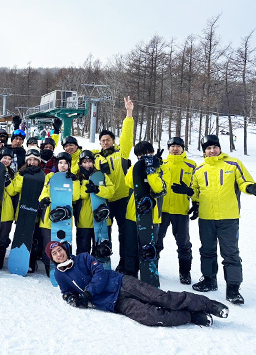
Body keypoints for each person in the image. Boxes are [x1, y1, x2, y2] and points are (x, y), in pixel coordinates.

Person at [46, 241, 229, 327]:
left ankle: (208, 305)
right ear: (52, 258)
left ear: (66, 250)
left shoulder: (83, 258)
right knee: (150, 317)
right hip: (114, 303)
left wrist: (88, 293)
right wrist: (71, 298)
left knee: (162, 298)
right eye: (54, 254)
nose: (59, 254)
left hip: (122, 283)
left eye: (60, 250)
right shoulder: (60, 275)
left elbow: (100, 273)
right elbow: (65, 291)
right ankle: (191, 316)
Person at [191, 135, 255, 305]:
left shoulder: (233, 164)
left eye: (214, 147)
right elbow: (196, 192)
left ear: (219, 148)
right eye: (208, 148)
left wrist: (250, 187)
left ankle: (233, 288)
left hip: (228, 217)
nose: (212, 151)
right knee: (207, 250)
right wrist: (191, 198)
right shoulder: (199, 169)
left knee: (230, 253)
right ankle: (209, 280)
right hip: (206, 218)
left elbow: (244, 181)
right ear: (204, 151)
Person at [92, 96, 134, 273]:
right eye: (102, 140)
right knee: (103, 233)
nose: (105, 142)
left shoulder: (121, 153)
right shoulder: (96, 157)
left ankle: (125, 263)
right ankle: (101, 262)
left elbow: (127, 137)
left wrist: (129, 113)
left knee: (125, 234)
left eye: (108, 139)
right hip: (103, 200)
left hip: (122, 199)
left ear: (113, 141)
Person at [123, 141, 165, 287]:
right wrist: (138, 168)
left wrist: (151, 169)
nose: (144, 156)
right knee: (131, 246)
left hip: (152, 216)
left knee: (148, 246)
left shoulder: (161, 168)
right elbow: (128, 182)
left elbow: (158, 187)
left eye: (147, 153)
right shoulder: (135, 168)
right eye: (141, 154)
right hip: (133, 213)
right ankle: (130, 273)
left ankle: (149, 274)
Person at [158, 137, 196, 285]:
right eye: (172, 146)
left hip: (181, 211)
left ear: (183, 148)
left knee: (183, 243)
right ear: (168, 148)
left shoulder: (191, 166)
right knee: (156, 241)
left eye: (178, 146)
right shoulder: (162, 164)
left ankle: (185, 272)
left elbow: (196, 187)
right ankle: (152, 269)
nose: (175, 149)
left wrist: (195, 201)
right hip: (161, 211)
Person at [37, 151, 80, 273]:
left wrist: (75, 182)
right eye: (60, 163)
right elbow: (44, 190)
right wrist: (44, 199)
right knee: (48, 243)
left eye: (66, 163)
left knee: (62, 244)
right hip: (49, 216)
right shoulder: (51, 176)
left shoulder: (72, 178)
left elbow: (76, 196)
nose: (63, 165)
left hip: (64, 218)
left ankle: (64, 267)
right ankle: (49, 268)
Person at [74, 150, 114, 256]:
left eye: (90, 162)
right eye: (85, 162)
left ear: (93, 162)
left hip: (102, 219)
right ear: (81, 163)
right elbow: (80, 195)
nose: (87, 165)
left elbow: (111, 192)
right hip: (84, 220)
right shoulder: (77, 177)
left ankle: (98, 269)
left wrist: (97, 189)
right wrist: (87, 183)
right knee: (83, 248)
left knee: (101, 249)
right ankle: (83, 269)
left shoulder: (102, 176)